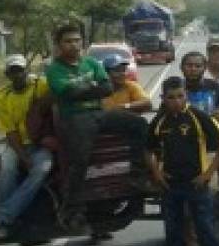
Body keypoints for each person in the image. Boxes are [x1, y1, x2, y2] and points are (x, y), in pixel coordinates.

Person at [44, 22, 147, 234]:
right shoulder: (54, 69)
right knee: (79, 159)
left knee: (139, 124)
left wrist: (81, 88)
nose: (73, 45)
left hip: (99, 113)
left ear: (82, 42)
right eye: (68, 41)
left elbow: (107, 88)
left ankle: (137, 176)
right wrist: (92, 88)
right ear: (59, 45)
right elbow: (66, 93)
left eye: (76, 40)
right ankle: (72, 209)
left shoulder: (91, 63)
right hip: (75, 117)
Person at [147, 76, 219, 246]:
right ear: (163, 98)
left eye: (180, 96)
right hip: (170, 185)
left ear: (186, 96)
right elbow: (147, 148)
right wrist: (156, 172)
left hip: (197, 184)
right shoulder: (159, 121)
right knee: (173, 230)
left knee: (205, 229)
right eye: (171, 97)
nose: (176, 101)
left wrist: (208, 173)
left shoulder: (198, 116)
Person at [0, 57, 52, 246]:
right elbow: (10, 133)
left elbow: (57, 90)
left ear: (26, 70)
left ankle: (1, 218)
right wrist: (23, 157)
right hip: (17, 146)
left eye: (20, 70)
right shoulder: (3, 97)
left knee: (41, 171)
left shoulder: (41, 85)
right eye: (13, 71)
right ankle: (5, 221)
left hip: (42, 145)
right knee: (7, 170)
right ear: (7, 75)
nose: (18, 74)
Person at [179, 51, 219, 116]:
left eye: (198, 66)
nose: (193, 69)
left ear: (205, 68)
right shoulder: (176, 87)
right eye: (189, 66)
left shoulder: (214, 86)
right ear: (181, 67)